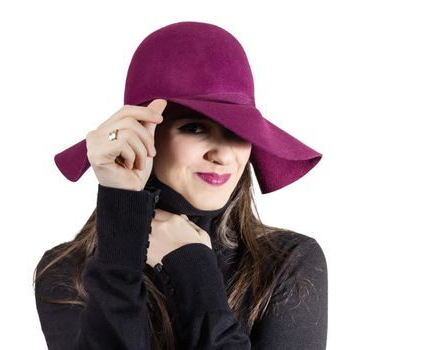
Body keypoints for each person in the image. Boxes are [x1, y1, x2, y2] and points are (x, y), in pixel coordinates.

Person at [33, 21, 327, 349]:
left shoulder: (286, 261)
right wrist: (121, 223)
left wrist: (193, 269)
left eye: (238, 131)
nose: (223, 155)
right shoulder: (66, 271)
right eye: (195, 128)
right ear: (143, 131)